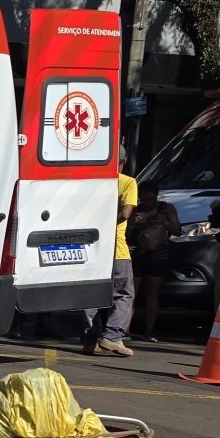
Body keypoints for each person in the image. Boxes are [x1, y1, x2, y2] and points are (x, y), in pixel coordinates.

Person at [83, 147, 138, 357]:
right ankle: (113, 336)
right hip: (116, 248)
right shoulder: (127, 182)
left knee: (90, 293)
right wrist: (106, 224)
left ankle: (89, 339)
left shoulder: (92, 181)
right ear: (123, 162)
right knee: (124, 293)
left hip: (91, 245)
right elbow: (125, 213)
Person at [128, 180, 181, 341]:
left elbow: (178, 231)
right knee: (131, 294)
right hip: (136, 254)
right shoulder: (134, 211)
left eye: (151, 199)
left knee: (152, 293)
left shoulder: (166, 208)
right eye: (144, 200)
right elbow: (125, 236)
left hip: (157, 256)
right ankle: (124, 329)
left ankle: (149, 330)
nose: (148, 203)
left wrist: (164, 222)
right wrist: (131, 222)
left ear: (157, 196)